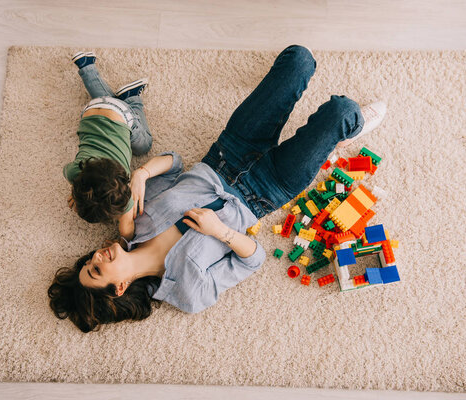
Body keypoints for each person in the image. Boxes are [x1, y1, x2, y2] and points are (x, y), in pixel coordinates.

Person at [49, 45, 387, 333]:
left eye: (88, 261)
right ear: (119, 288)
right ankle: (347, 129)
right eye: (96, 270)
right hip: (268, 190)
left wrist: (141, 173)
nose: (95, 256)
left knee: (298, 58)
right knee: (343, 112)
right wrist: (222, 233)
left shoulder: (130, 220)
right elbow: (252, 260)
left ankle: (329, 125)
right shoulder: (187, 293)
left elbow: (177, 162)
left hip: (228, 153)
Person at [64, 51, 154, 239]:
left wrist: (124, 241)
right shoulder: (74, 173)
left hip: (120, 114)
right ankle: (87, 67)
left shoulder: (122, 189)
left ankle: (132, 99)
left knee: (143, 144)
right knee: (112, 103)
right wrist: (76, 193)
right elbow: (69, 173)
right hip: (91, 111)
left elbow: (126, 229)